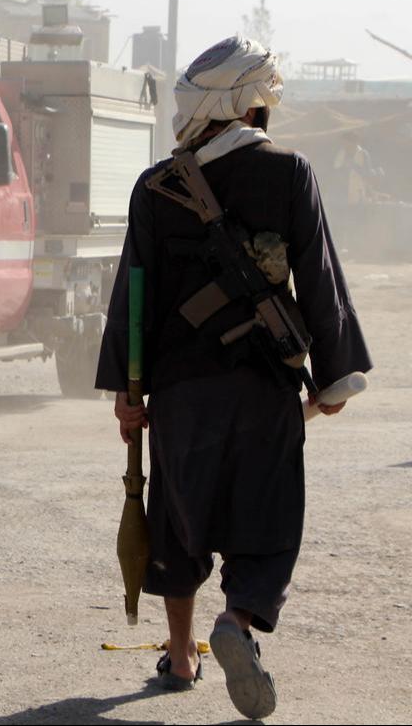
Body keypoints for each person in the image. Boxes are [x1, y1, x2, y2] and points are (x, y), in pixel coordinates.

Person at [96, 36, 372, 719]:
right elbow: (319, 276)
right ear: (251, 105)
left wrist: (128, 397)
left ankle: (183, 651)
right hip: (266, 389)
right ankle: (240, 621)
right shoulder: (292, 173)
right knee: (269, 520)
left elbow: (134, 293)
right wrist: (333, 380)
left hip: (182, 394)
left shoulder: (157, 185)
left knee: (177, 522)